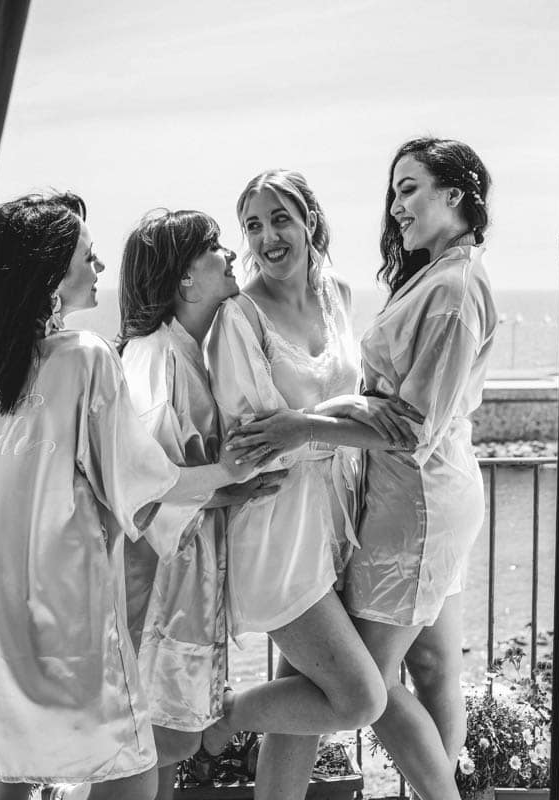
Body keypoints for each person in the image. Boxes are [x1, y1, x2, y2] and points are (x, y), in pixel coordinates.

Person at [0, 192, 260, 800]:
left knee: (5, 777)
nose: (99, 270)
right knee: (131, 775)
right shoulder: (85, 359)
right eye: (87, 257)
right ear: (48, 274)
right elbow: (149, 487)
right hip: (68, 620)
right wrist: (229, 471)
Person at [228, 139, 497, 799]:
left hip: (415, 500)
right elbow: (393, 402)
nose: (397, 204)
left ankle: (216, 722)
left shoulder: (452, 289)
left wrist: (304, 423)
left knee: (362, 688)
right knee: (428, 667)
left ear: (454, 194)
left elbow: (411, 424)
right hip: (401, 494)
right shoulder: (437, 275)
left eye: (411, 188)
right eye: (394, 190)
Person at [202, 169, 418, 798]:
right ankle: (225, 716)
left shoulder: (339, 294)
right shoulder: (238, 318)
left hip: (337, 519)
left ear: (310, 221)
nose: (268, 236)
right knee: (357, 698)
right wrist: (322, 424)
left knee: (299, 720)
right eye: (253, 225)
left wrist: (305, 425)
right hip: (276, 531)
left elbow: (356, 403)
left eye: (280, 219)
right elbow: (252, 443)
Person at [117, 208, 287, 799]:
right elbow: (142, 486)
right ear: (184, 279)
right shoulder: (155, 361)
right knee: (151, 752)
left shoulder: (183, 351)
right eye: (214, 247)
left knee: (166, 750)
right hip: (155, 594)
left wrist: (226, 490)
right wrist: (230, 478)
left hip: (179, 586)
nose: (233, 253)